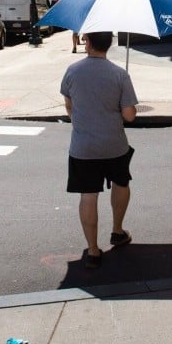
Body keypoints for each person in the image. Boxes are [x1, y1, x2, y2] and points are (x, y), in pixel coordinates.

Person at [60, 31, 138, 268]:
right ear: (110, 45)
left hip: (83, 147)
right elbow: (129, 115)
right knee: (121, 183)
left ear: (89, 43)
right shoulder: (120, 74)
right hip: (114, 144)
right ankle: (117, 231)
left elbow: (69, 106)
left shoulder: (72, 71)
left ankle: (93, 250)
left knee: (88, 195)